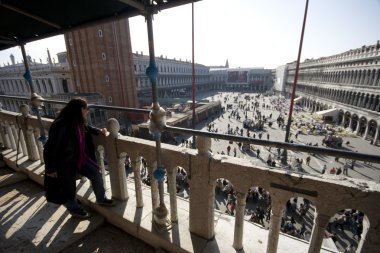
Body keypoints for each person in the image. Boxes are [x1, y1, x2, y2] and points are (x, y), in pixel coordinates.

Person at [43, 98, 115, 219]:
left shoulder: (77, 121)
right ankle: (74, 209)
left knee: (95, 174)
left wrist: (100, 131)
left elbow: (87, 128)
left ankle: (101, 198)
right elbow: (50, 148)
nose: (88, 111)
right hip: (65, 162)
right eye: (86, 109)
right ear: (80, 109)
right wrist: (50, 169)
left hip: (79, 159)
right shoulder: (61, 124)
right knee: (69, 187)